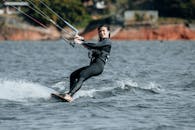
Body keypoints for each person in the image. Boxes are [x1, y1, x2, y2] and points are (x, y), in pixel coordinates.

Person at [63, 25, 112, 102]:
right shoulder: (102, 42)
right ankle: (69, 94)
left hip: (98, 67)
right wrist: (82, 40)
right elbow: (91, 47)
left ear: (108, 32)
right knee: (73, 75)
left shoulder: (107, 41)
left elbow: (95, 45)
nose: (101, 32)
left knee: (82, 74)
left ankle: (69, 95)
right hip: (93, 66)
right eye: (100, 31)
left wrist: (81, 42)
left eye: (103, 31)